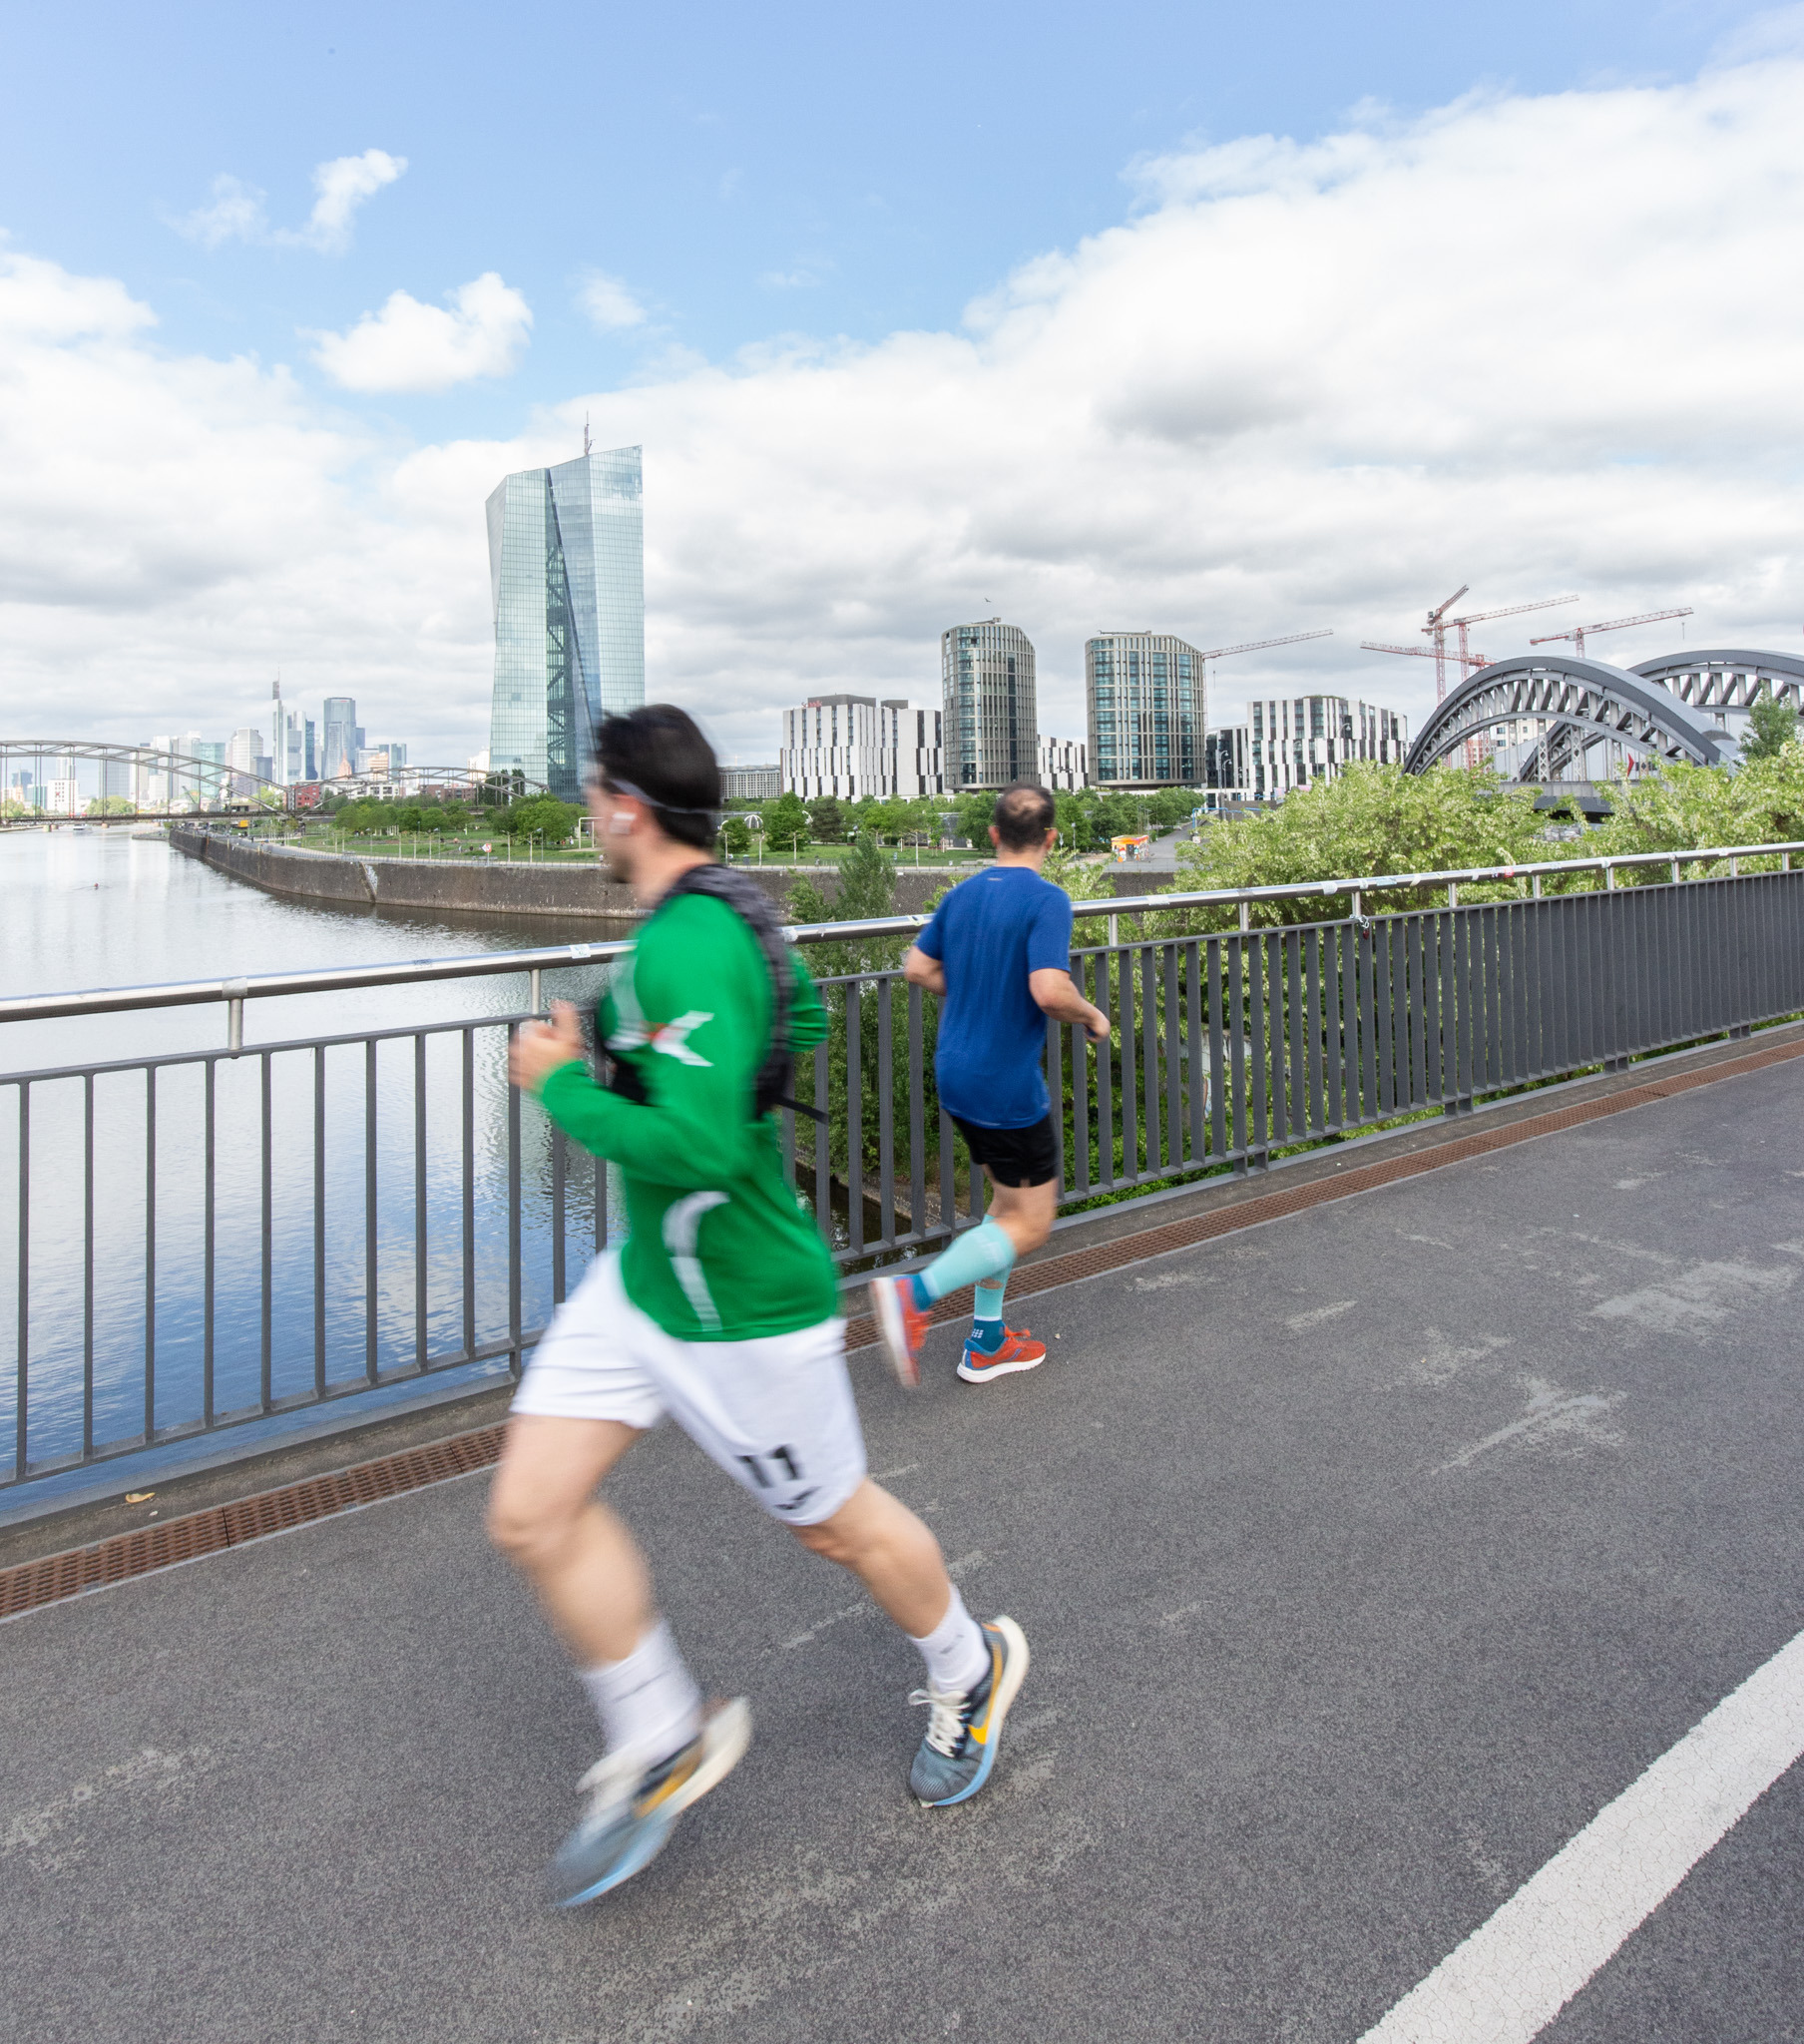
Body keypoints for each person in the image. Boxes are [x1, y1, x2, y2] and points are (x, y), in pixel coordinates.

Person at [489, 706, 1030, 1908]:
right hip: (641, 1283)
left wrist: (562, 1082)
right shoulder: (722, 914)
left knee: (834, 1524)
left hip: (738, 1301)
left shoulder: (689, 940)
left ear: (628, 806)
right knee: (532, 1509)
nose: (588, 816)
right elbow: (796, 1025)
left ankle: (969, 1665)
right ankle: (660, 1735)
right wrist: (641, 1057)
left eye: (594, 796)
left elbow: (695, 1141)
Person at [869, 782, 1109, 1386]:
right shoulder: (1047, 899)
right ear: (1051, 838)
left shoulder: (962, 894)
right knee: (1031, 1223)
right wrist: (1092, 1015)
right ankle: (914, 1294)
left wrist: (976, 989)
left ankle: (987, 1339)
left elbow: (917, 967)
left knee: (1005, 1208)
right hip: (1005, 1084)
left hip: (956, 1071)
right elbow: (1049, 990)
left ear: (993, 834)